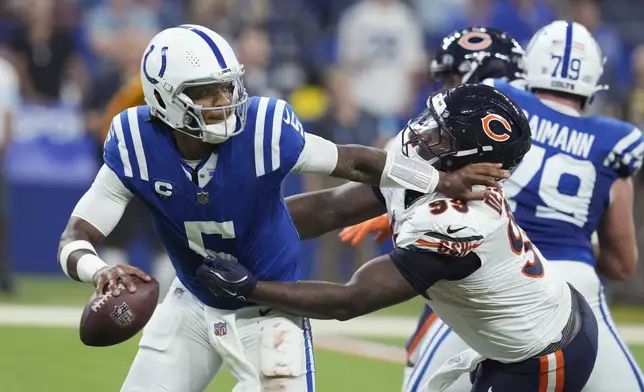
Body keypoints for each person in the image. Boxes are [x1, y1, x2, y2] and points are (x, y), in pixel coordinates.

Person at [56, 25, 506, 392]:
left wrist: (440, 180)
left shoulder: (265, 130)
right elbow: (77, 235)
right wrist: (97, 270)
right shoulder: (134, 142)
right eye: (206, 91)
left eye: (227, 85)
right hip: (190, 304)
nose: (223, 100)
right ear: (164, 98)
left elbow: (353, 161)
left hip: (269, 317)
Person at [197, 83, 599, 392]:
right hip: (535, 321)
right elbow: (329, 209)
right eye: (431, 121)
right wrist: (232, 228)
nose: (423, 134)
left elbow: (349, 300)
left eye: (442, 136)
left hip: (543, 354)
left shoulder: (458, 224)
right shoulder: (438, 174)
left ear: (473, 161)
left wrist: (250, 288)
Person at [342, 21, 644, 392]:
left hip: (490, 273)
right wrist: (571, 239)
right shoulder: (616, 141)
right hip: (575, 291)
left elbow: (441, 164)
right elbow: (622, 263)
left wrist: (400, 208)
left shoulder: (497, 102)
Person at [339, 26, 528, 391]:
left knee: (420, 370)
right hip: (521, 276)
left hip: (492, 286)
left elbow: (492, 210)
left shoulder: (499, 129)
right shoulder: (527, 118)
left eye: (454, 77)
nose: (447, 88)